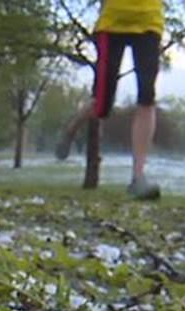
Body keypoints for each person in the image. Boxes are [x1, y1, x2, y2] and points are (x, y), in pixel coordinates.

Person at [55, 0, 164, 200]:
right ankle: (71, 128)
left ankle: (138, 178)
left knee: (147, 98)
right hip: (112, 23)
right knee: (102, 106)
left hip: (150, 21)